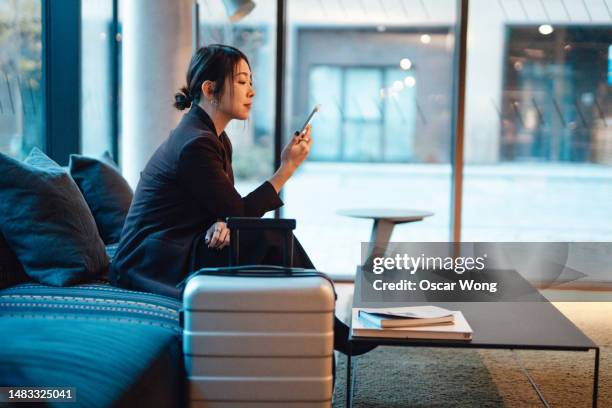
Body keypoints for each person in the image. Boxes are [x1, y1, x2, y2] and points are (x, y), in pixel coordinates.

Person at [111, 44, 373, 356]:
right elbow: (239, 213)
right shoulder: (196, 144)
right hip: (152, 260)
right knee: (270, 237)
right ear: (210, 89)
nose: (251, 91)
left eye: (250, 82)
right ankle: (327, 320)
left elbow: (224, 207)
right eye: (241, 81)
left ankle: (316, 318)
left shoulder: (214, 137)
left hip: (178, 245)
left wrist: (223, 222)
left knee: (263, 239)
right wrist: (286, 169)